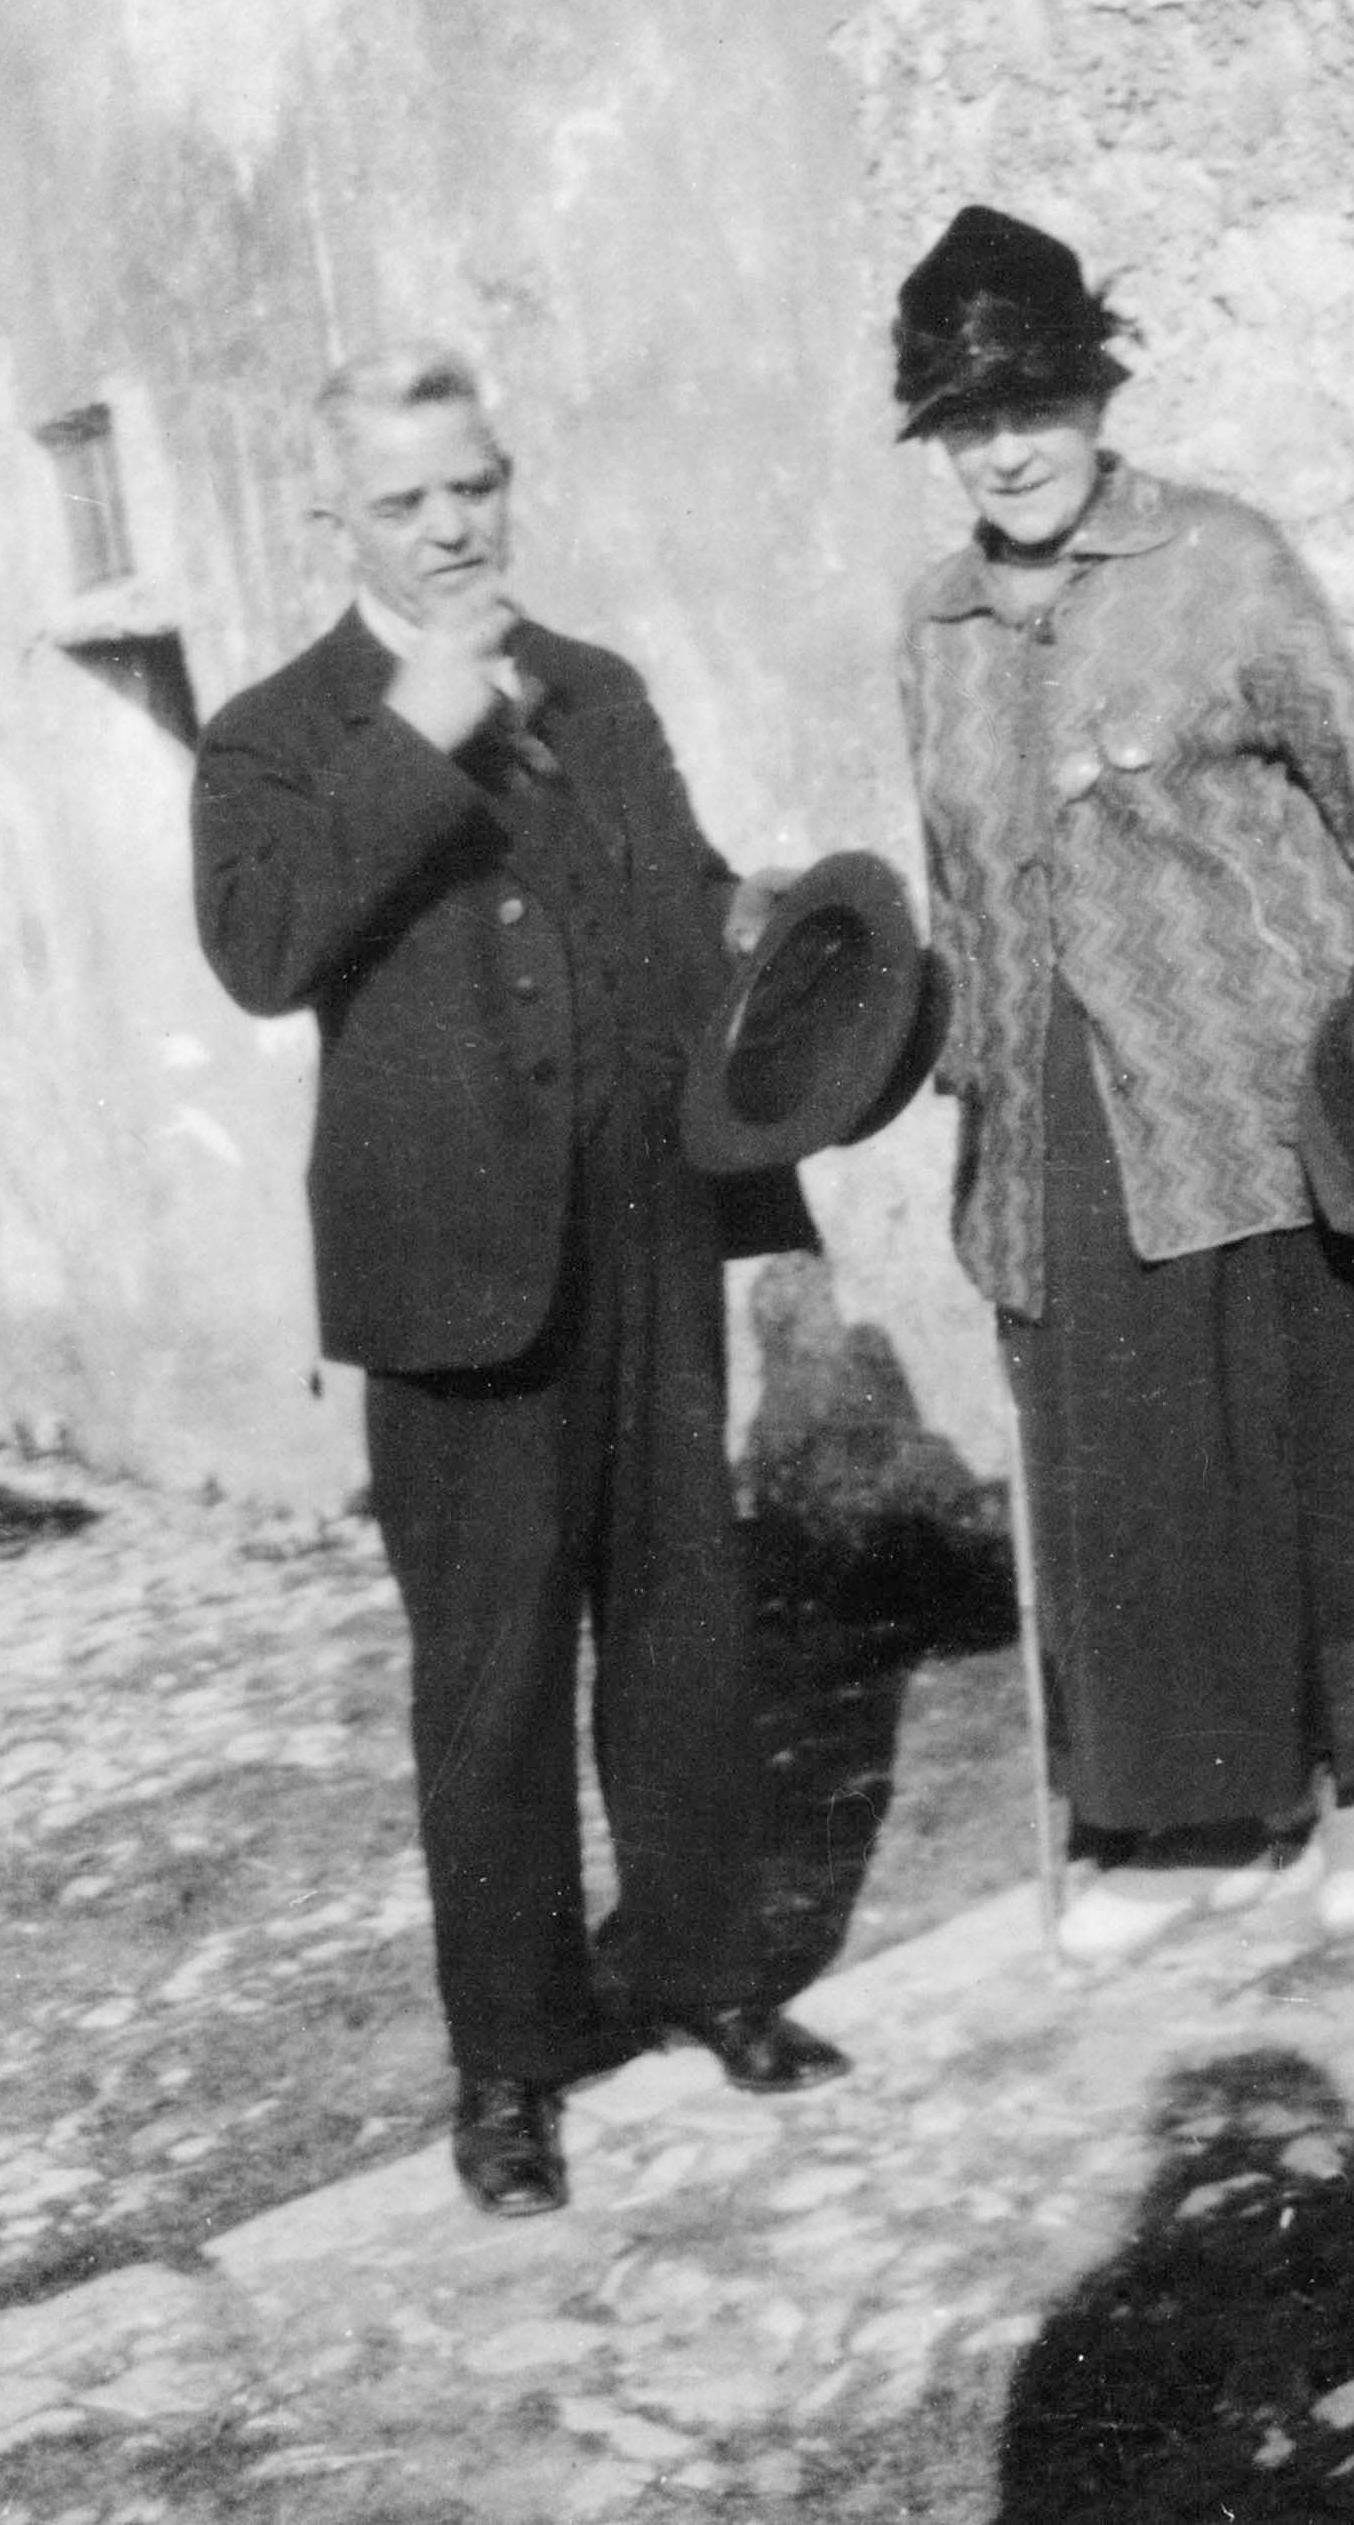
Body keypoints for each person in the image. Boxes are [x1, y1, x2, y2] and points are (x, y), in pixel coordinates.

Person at [191, 345, 846, 2217]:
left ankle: (710, 1972)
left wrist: (779, 932)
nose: (448, 523)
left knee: (684, 1620)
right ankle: (513, 2060)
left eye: (470, 484)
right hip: (448, 1278)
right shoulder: (274, 730)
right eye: (401, 501)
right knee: (486, 1685)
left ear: (506, 479)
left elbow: (686, 889)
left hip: (645, 1227)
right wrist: (422, 721)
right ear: (338, 522)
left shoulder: (607, 688)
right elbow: (258, 945)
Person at [891, 208, 1354, 1961]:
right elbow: (956, 878)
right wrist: (962, 1082)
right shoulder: (932, 627)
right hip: (1056, 1093)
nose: (1004, 446)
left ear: (1095, 399)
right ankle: (1207, 1813)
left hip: (1263, 1066)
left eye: (1035, 403)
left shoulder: (1222, 558)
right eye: (963, 419)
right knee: (1128, 1459)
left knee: (1315, 1416)